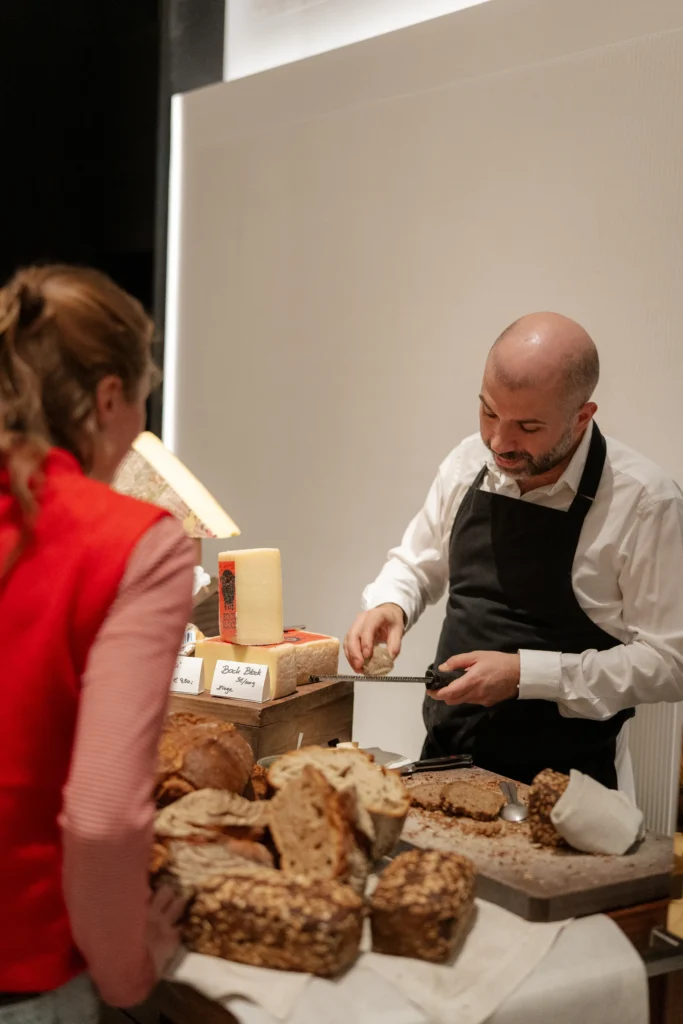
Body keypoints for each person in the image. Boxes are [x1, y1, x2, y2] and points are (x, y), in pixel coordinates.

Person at [345, 313, 683, 791]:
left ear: (582, 417)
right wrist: (391, 603)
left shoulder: (644, 503)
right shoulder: (468, 462)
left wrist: (528, 675)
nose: (499, 442)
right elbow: (416, 564)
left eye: (527, 425)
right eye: (488, 412)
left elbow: (671, 662)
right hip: (446, 765)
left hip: (569, 790)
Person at [0, 265, 195, 1018]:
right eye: (142, 399)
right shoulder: (133, 542)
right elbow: (103, 817)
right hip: (26, 969)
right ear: (109, 397)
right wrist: (128, 971)